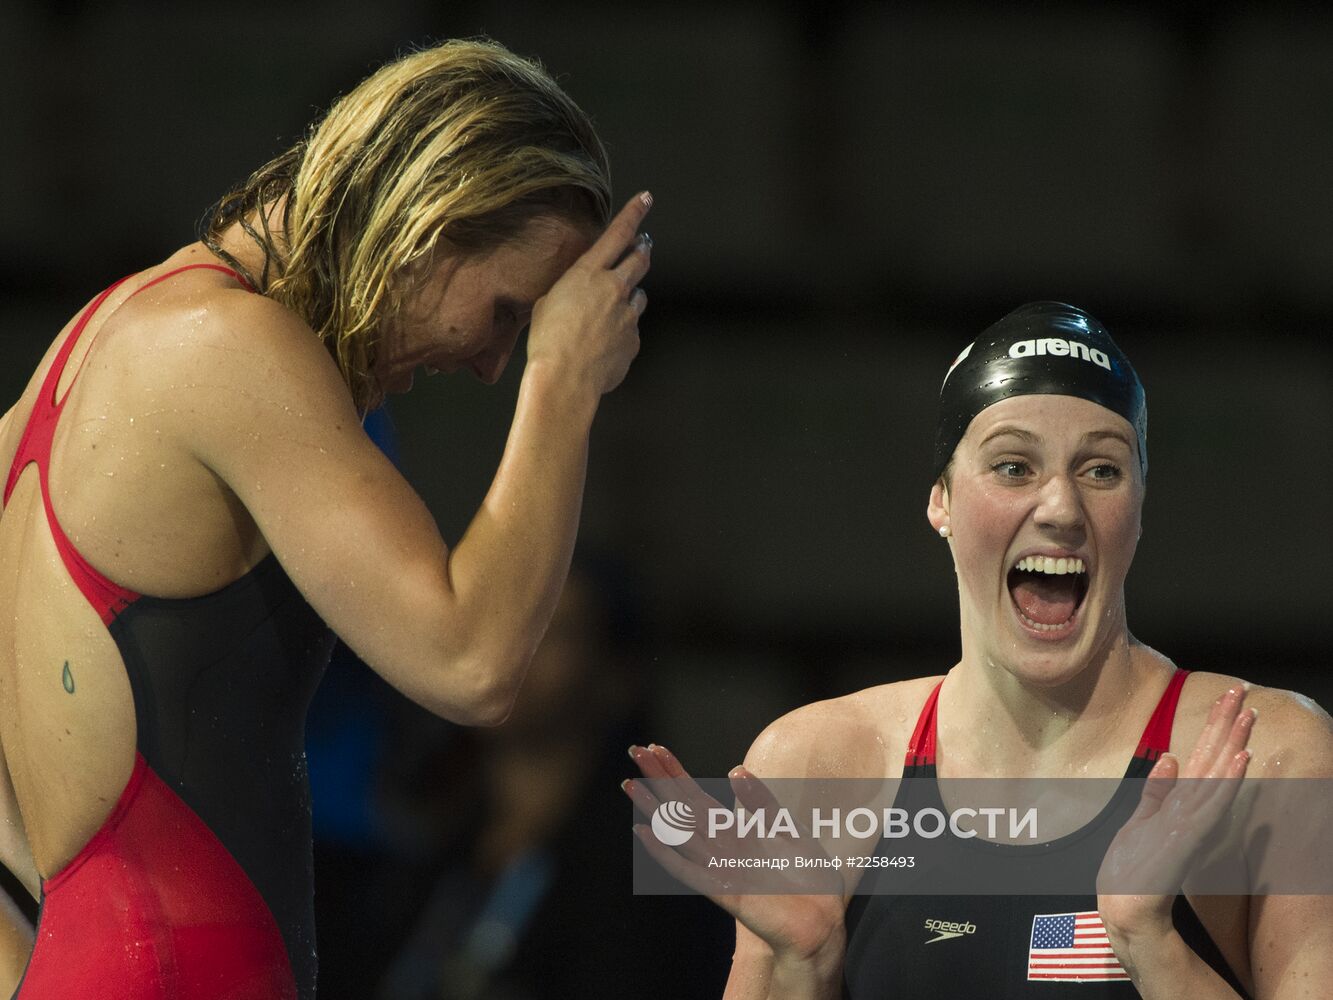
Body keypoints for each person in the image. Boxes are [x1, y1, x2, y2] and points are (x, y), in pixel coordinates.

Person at [0, 38, 651, 1000]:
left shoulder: (85, 348)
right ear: (430, 222)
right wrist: (565, 381)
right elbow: (471, 664)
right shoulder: (230, 347)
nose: (492, 363)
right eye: (512, 312)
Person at [625, 303, 1333, 998]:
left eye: (1101, 470)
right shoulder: (824, 763)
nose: (1059, 508)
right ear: (940, 501)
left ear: (1139, 507)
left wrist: (1150, 943)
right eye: (1013, 467)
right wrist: (800, 963)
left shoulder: (1263, 758)